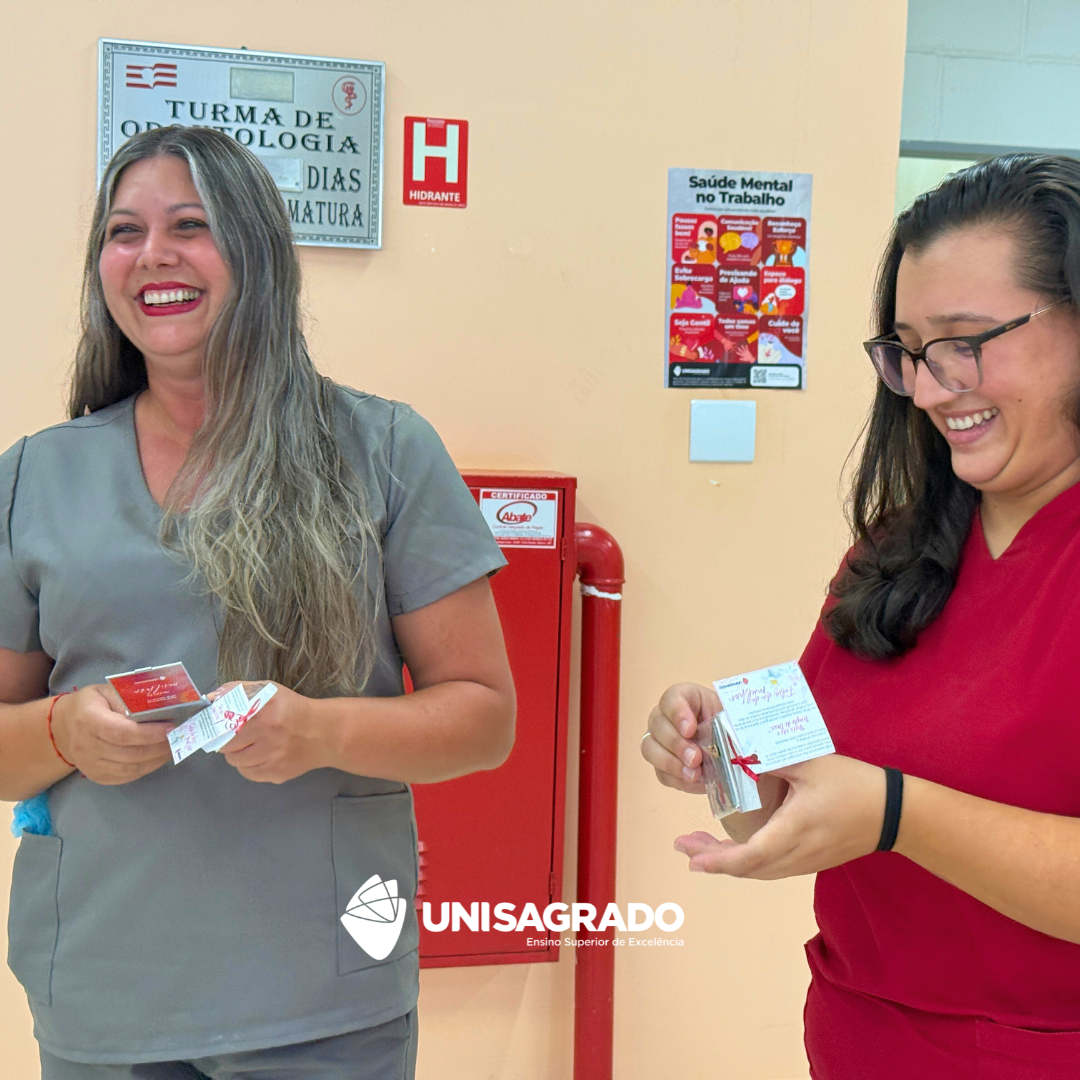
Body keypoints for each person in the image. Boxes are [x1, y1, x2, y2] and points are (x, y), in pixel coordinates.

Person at [0, 125, 516, 1079]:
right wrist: (67, 733)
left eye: (189, 225)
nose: (153, 254)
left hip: (324, 997)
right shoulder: (36, 476)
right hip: (106, 991)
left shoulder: (386, 451)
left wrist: (319, 732)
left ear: (258, 253)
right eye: (124, 231)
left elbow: (483, 720)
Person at [642, 154, 1080, 1078]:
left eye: (967, 341)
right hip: (861, 1039)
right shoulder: (898, 550)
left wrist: (896, 813)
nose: (927, 389)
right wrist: (726, 757)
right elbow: (786, 809)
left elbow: (878, 808)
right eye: (910, 352)